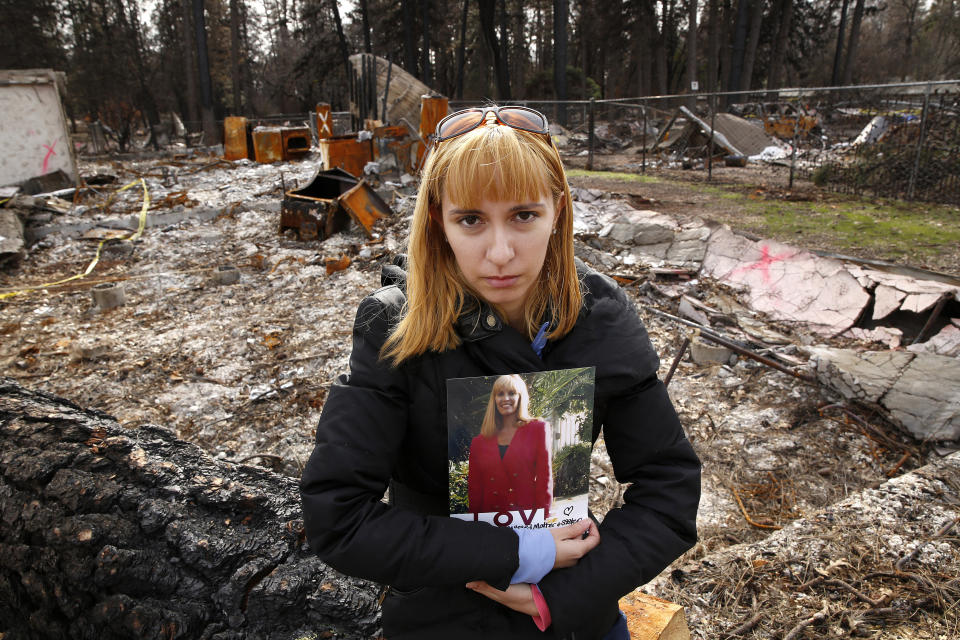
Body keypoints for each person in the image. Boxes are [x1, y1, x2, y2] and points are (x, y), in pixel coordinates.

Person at [300, 105, 701, 640]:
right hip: (441, 615)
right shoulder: (395, 325)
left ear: (557, 210)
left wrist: (557, 596)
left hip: (574, 615)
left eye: (523, 215)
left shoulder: (601, 318)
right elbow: (338, 516)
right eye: (470, 220)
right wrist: (520, 554)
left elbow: (669, 488)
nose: (500, 253)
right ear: (438, 222)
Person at [468, 374, 552, 516]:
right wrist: (475, 523)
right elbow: (475, 489)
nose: (505, 398)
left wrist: (542, 517)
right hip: (490, 519)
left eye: (512, 393)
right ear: (494, 400)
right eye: (500, 394)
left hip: (526, 516)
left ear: (520, 397)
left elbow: (545, 478)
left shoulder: (538, 429)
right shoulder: (478, 442)